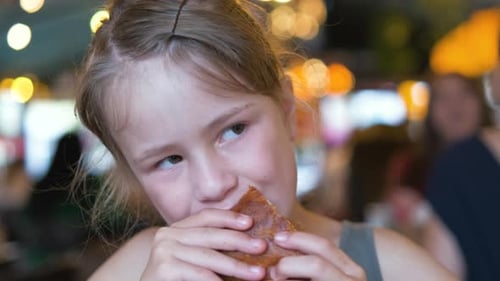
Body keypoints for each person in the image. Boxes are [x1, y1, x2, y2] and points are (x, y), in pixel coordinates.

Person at [74, 0, 457, 280]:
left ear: (287, 112)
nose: (213, 184)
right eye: (169, 160)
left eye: (233, 130)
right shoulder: (134, 271)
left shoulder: (392, 266)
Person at [425, 62, 500, 281]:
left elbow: (440, 273)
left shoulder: (455, 168)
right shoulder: (417, 168)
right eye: (443, 97)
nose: (455, 105)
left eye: (464, 94)